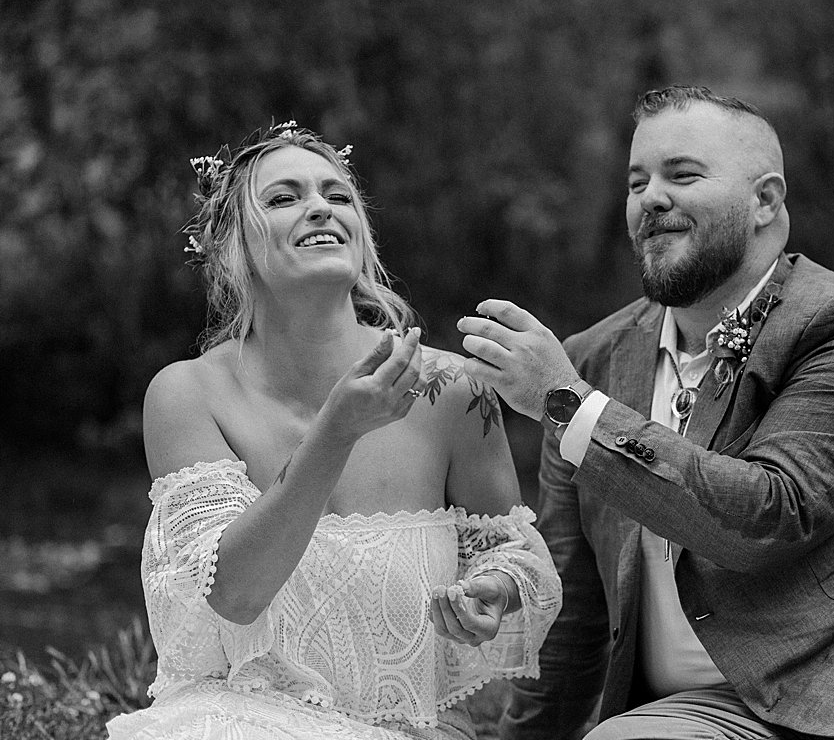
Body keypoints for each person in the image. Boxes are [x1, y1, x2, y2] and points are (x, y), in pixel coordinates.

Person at [458, 86, 834, 739]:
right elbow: (573, 614)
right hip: (715, 712)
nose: (650, 198)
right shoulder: (591, 360)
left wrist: (568, 407)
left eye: (682, 174)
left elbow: (768, 516)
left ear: (766, 201)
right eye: (637, 182)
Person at [105, 121, 562, 740]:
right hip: (237, 717)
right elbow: (235, 593)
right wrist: (335, 433)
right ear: (234, 247)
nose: (320, 206)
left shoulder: (453, 390)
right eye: (283, 197)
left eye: (337, 194)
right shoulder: (189, 395)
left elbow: (517, 554)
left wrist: (494, 588)